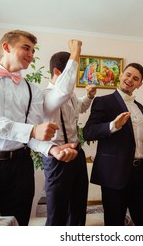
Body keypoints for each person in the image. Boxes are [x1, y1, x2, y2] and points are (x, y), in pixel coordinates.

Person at [0, 30, 78, 226]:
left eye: (33, 50)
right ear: (6, 46)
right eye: (26, 48)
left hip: (20, 166)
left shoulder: (33, 90)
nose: (31, 54)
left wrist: (51, 149)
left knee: (17, 224)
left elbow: (31, 134)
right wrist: (31, 130)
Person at [83, 62, 143, 226]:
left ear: (139, 84)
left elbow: (136, 137)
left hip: (141, 173)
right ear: (120, 75)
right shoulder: (103, 102)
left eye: (136, 78)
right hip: (114, 174)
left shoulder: (139, 107)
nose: (130, 80)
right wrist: (113, 126)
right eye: (128, 75)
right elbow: (88, 132)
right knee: (115, 224)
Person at [42, 41, 97, 226]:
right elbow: (62, 91)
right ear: (58, 72)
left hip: (78, 155)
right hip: (57, 157)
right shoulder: (45, 95)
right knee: (57, 211)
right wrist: (76, 52)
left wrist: (88, 96)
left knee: (78, 206)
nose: (75, 80)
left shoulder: (71, 95)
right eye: (71, 74)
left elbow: (79, 108)